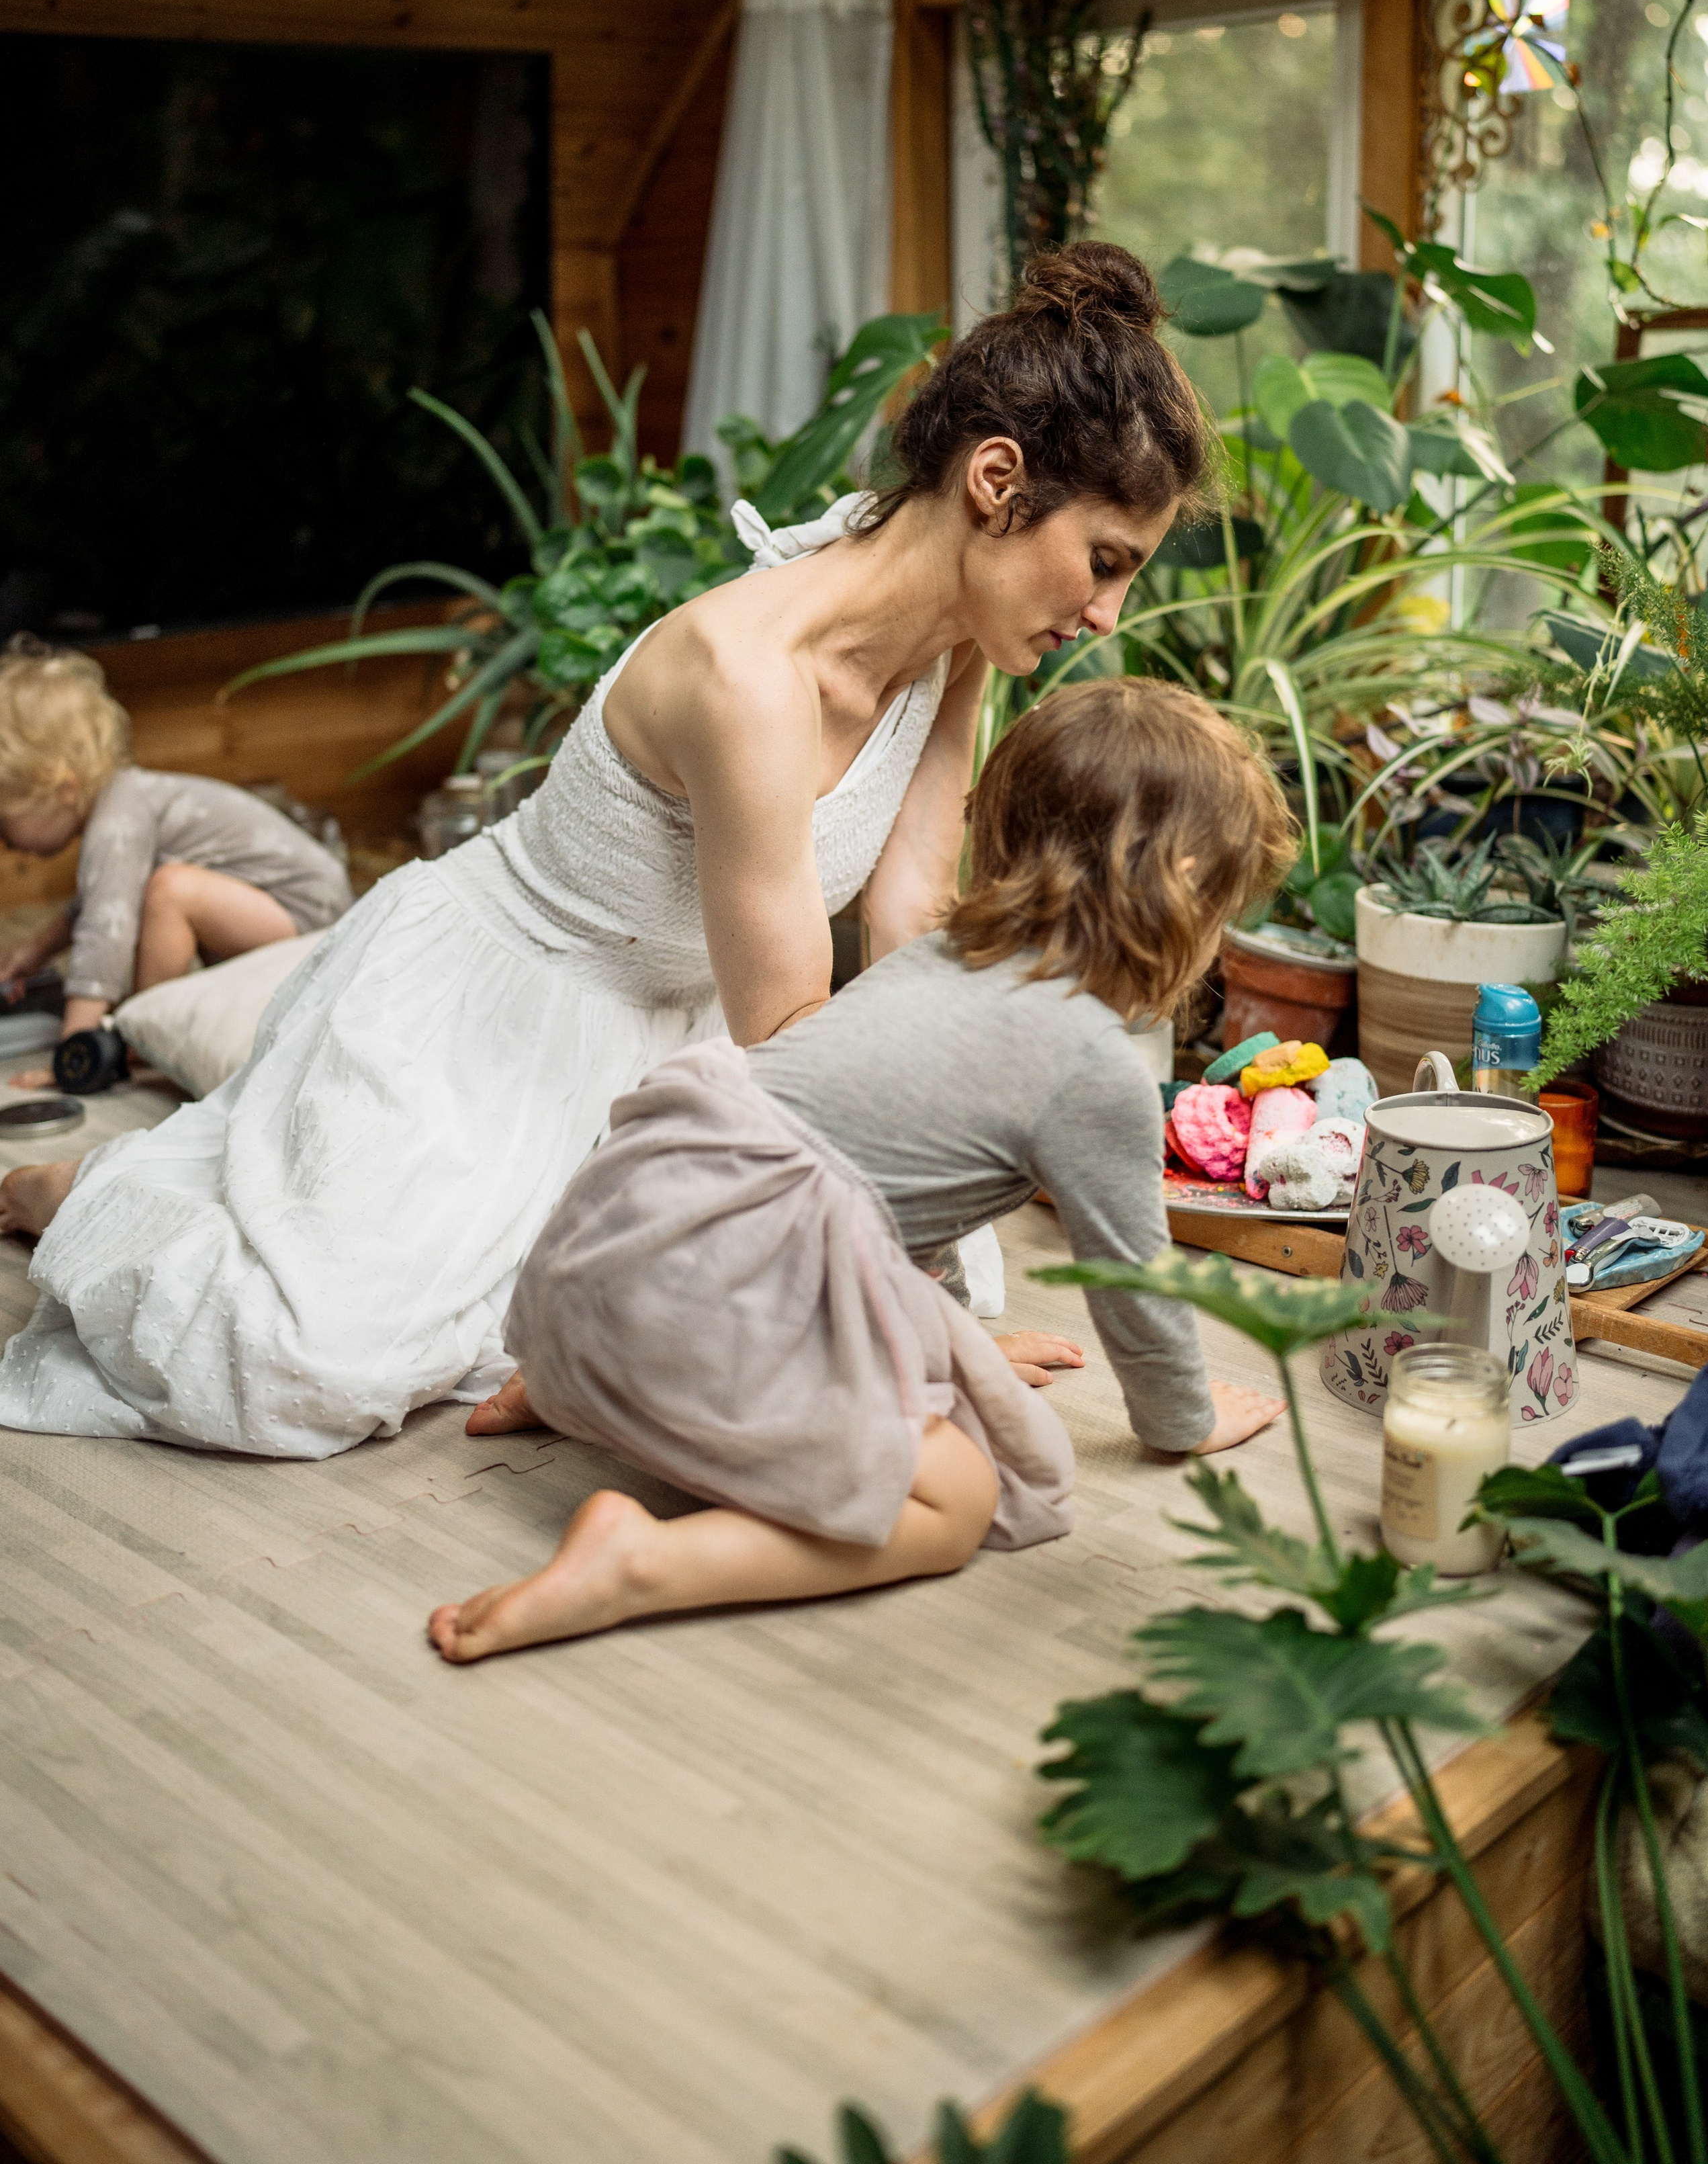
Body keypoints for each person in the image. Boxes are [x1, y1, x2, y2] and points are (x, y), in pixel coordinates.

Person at [0, 242, 1212, 1459]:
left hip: (686, 1034)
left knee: (655, 1312)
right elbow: (796, 1051)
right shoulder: (748, 677)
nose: (1107, 614)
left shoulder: (960, 643)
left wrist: (940, 1261)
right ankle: (81, 1199)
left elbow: (907, 923)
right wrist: (917, 1335)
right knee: (303, 1368)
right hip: (503, 1014)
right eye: (1105, 561)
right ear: (997, 480)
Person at [429, 679, 1295, 1663]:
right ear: (1182, 886)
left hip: (605, 1267)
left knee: (748, 1300)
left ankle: (564, 1386)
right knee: (956, 1497)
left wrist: (947, 1347)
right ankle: (641, 1562)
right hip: (708, 1304)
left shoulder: (931, 963)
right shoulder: (1092, 1066)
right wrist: (1184, 1421)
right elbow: (1135, 1291)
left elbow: (856, 1202)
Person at [0, 644, 351, 1086]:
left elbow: (103, 935)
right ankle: (144, 1029)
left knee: (170, 890)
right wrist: (33, 951)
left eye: (5, 819)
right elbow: (97, 900)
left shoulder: (119, 818)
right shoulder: (123, 805)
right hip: (292, 916)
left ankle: (144, 1038)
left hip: (313, 922)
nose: (7, 843)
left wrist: (75, 1048)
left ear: (64, 789)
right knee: (154, 891)